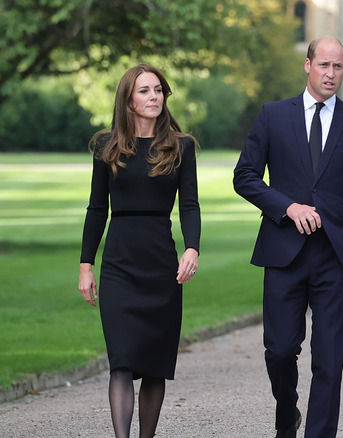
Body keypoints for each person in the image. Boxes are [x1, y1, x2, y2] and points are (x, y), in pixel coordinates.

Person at [233, 36, 343, 438]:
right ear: (308, 65)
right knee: (280, 351)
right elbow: (244, 177)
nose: (331, 74)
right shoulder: (273, 116)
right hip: (284, 251)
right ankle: (287, 411)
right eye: (324, 65)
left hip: (335, 256)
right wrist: (287, 207)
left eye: (338, 67)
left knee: (329, 360)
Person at [77, 64, 201, 438]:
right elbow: (97, 208)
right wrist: (86, 264)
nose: (154, 98)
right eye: (145, 91)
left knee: (155, 364)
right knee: (122, 363)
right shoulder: (106, 146)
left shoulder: (181, 147)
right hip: (119, 264)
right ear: (128, 100)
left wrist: (192, 248)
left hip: (161, 264)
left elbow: (190, 205)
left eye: (158, 90)